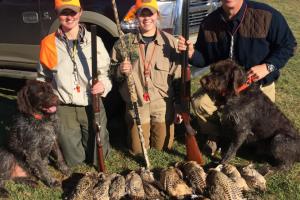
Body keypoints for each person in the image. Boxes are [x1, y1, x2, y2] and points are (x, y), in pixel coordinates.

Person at [178, 0, 297, 150]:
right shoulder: (209, 22)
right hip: (223, 87)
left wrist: (268, 66)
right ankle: (215, 134)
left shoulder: (267, 15)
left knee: (258, 133)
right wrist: (192, 53)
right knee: (199, 103)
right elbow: (204, 58)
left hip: (257, 87)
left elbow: (289, 45)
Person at [36, 0, 112, 167]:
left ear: (80, 12)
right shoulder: (48, 43)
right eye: (64, 13)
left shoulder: (95, 40)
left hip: (92, 104)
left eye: (73, 12)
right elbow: (43, 78)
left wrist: (103, 86)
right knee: (74, 161)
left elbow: (105, 73)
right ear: (58, 15)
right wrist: (47, 101)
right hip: (64, 107)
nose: (69, 17)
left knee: (98, 156)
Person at [110, 0, 181, 155]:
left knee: (163, 148)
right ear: (136, 16)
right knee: (138, 150)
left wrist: (180, 106)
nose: (147, 18)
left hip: (161, 103)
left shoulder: (170, 42)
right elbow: (111, 74)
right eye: (143, 13)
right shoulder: (124, 43)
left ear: (157, 16)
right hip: (137, 102)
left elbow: (178, 77)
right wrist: (120, 70)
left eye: (151, 13)